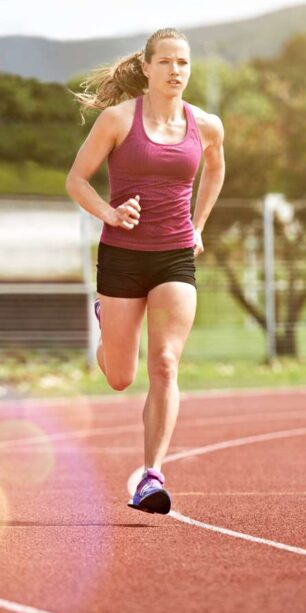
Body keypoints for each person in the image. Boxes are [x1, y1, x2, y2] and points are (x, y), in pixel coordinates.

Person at [66, 28, 225, 515]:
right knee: (119, 376)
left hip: (174, 255)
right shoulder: (117, 120)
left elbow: (215, 169)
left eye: (184, 63)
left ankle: (151, 474)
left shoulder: (207, 125)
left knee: (166, 364)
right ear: (148, 67)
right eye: (167, 62)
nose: (176, 71)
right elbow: (76, 179)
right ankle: (105, 321)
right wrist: (109, 214)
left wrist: (198, 225)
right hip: (122, 256)